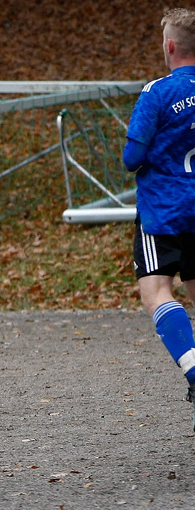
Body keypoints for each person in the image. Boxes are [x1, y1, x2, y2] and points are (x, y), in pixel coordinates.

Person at [124, 7, 195, 432]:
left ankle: (193, 371)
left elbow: (131, 158)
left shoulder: (157, 92)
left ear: (169, 46)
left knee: (157, 293)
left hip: (164, 211)